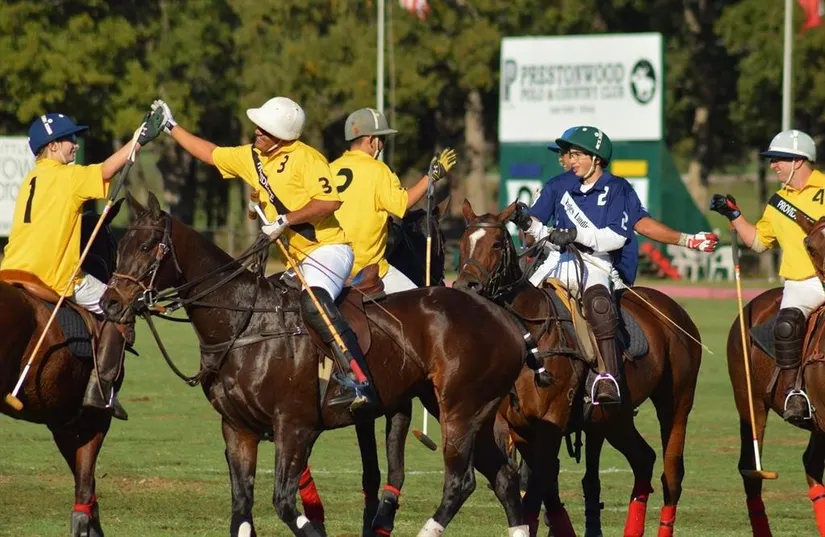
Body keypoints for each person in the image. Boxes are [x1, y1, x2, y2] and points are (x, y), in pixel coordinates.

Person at [149, 97, 375, 411]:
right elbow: (211, 154)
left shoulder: (307, 159)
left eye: (265, 129)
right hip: (298, 259)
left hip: (328, 249)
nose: (257, 131)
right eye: (258, 126)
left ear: (282, 135)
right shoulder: (252, 156)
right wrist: (171, 127)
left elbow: (329, 202)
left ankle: (358, 379)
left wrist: (285, 220)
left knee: (314, 302)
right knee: (263, 301)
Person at [1, 110, 164, 419]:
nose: (75, 144)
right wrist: (138, 140)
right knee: (120, 305)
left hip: (10, 270)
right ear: (52, 146)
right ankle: (101, 389)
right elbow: (107, 169)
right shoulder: (68, 177)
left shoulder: (31, 179)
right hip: (51, 275)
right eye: (69, 139)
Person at [711, 129, 825, 423]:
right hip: (804, 284)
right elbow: (759, 242)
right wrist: (734, 215)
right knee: (786, 325)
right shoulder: (777, 203)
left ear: (798, 161)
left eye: (779, 159)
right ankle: (794, 392)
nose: (773, 165)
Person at [531, 128, 718, 289]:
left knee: (600, 305)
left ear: (594, 157)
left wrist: (688, 240)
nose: (563, 159)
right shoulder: (556, 185)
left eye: (569, 153)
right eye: (566, 154)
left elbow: (641, 224)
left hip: (608, 265)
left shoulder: (616, 187)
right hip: (559, 261)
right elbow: (530, 232)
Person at [330, 107, 456, 292]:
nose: (382, 145)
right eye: (382, 139)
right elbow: (403, 204)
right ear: (372, 140)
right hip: (366, 268)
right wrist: (432, 176)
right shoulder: (378, 170)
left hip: (331, 265)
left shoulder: (330, 168)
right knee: (415, 301)